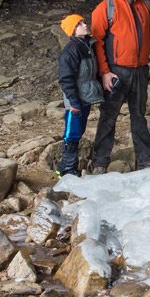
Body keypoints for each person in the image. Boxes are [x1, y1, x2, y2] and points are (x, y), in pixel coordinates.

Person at [89, 0, 150, 172]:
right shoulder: (105, 8)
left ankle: (146, 159)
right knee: (108, 116)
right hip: (116, 72)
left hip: (140, 70)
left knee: (139, 114)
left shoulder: (145, 4)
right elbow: (97, 42)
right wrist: (104, 73)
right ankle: (100, 161)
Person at [55, 14, 104, 178]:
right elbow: (66, 79)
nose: (85, 25)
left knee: (79, 130)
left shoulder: (86, 45)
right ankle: (67, 169)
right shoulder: (71, 51)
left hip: (85, 96)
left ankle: (65, 166)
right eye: (79, 24)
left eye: (83, 22)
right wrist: (73, 102)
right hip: (75, 100)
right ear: (73, 30)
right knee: (72, 133)